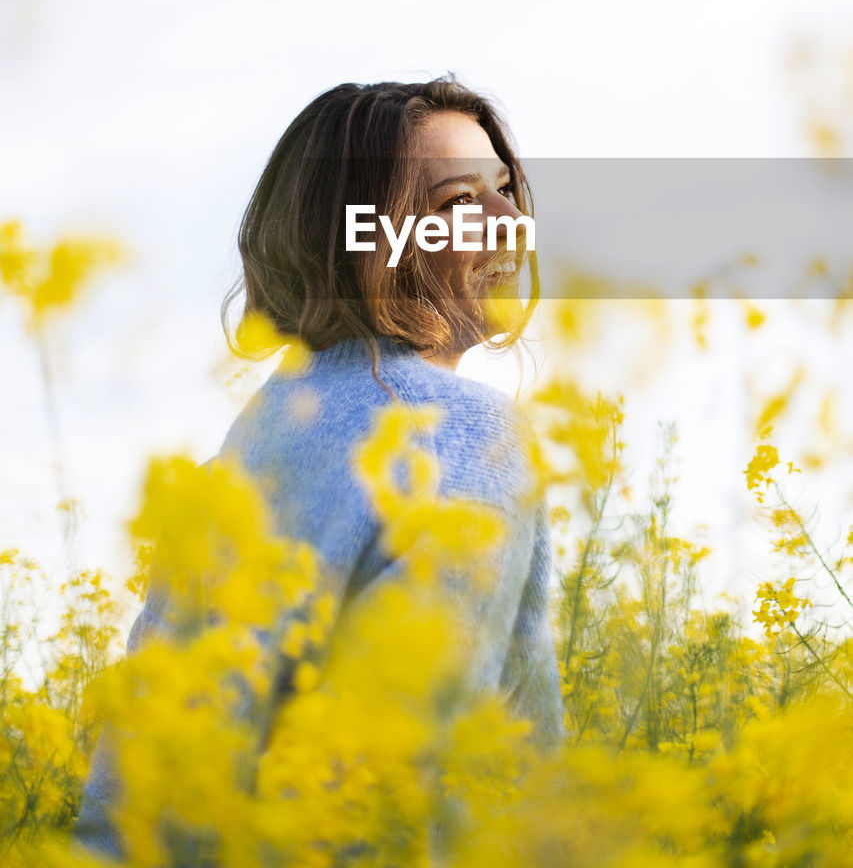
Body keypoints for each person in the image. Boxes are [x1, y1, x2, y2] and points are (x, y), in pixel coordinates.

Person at [71, 75, 565, 864]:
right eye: (457, 206)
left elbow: (128, 804)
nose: (512, 226)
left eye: (505, 191)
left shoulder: (241, 457)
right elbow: (443, 792)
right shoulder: (464, 435)